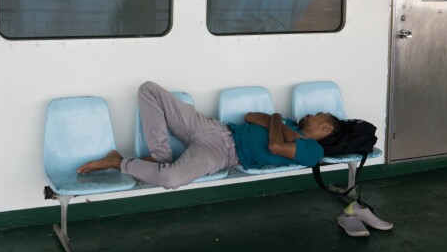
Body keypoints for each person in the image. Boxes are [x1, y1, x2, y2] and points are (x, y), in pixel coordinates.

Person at [77, 81, 339, 190]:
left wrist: (277, 123)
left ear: (326, 128)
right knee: (149, 89)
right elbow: (250, 116)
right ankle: (160, 153)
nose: (310, 115)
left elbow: (275, 146)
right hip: (216, 129)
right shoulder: (289, 123)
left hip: (223, 153)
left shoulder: (313, 150)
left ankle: (118, 161)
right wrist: (279, 120)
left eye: (317, 115)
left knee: (171, 178)